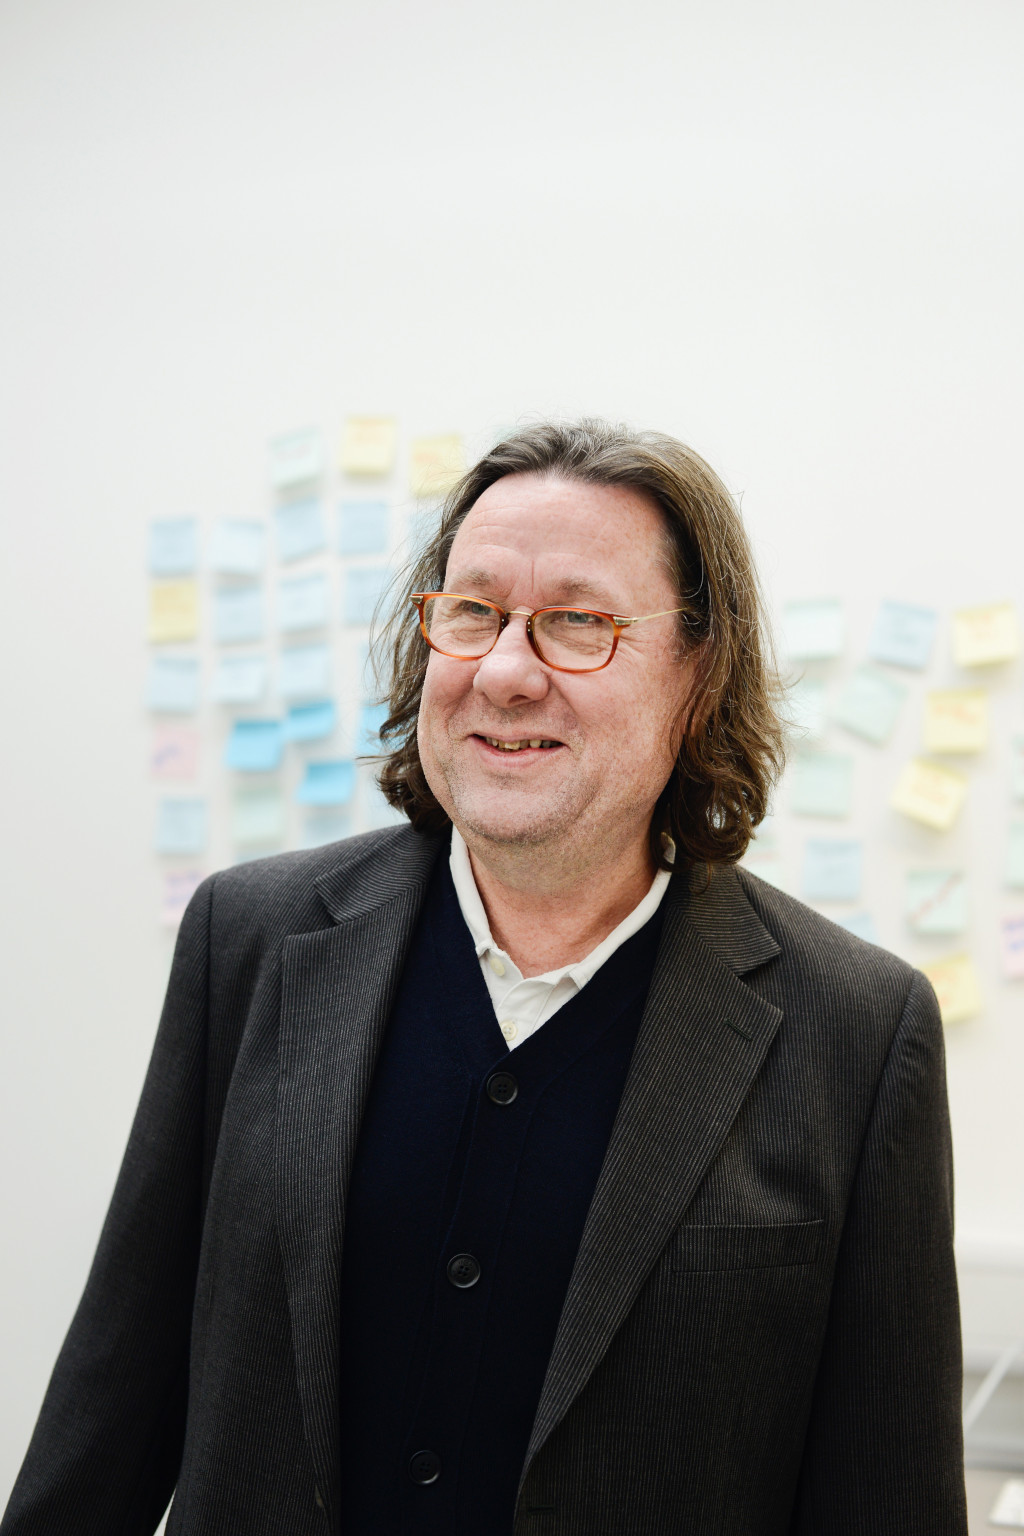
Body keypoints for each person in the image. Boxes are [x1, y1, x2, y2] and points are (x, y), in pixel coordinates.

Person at [2, 420, 967, 1535]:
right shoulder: (251, 941)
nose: (505, 672)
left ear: (697, 673)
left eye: (577, 623)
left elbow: (886, 1499)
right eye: (472, 613)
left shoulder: (855, 1030)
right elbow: (113, 1406)